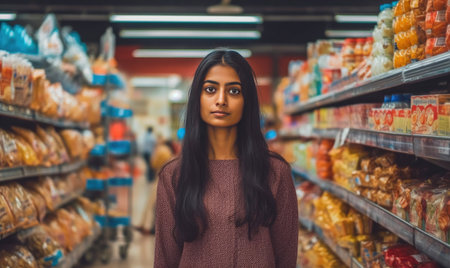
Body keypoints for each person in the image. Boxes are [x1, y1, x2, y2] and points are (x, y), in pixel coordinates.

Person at [154, 50, 298, 267]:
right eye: (210, 90)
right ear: (198, 98)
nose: (221, 100)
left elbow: (286, 257)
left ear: (246, 101)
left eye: (233, 91)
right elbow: (165, 259)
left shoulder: (276, 172)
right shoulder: (174, 175)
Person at [136, 138, 174, 235]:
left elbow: (154, 163)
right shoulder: (169, 152)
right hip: (164, 178)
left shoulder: (161, 150)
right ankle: (146, 225)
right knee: (155, 204)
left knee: (151, 203)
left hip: (159, 177)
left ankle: (146, 226)